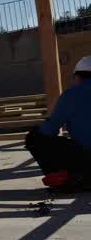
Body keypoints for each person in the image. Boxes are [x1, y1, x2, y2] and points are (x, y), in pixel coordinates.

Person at [26, 56, 91, 191]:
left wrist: (37, 130)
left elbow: (50, 129)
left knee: (34, 138)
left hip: (86, 160)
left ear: (77, 77)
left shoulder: (71, 95)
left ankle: (67, 178)